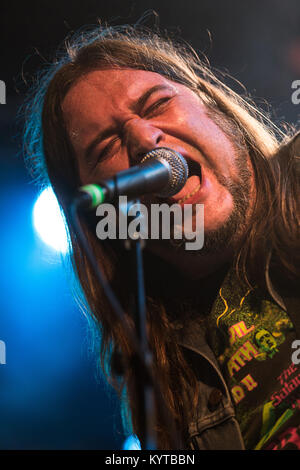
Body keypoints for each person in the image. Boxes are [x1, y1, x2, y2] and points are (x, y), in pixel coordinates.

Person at [23, 24, 300, 450]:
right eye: (105, 147)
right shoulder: (160, 381)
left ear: (212, 106)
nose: (142, 139)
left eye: (157, 104)